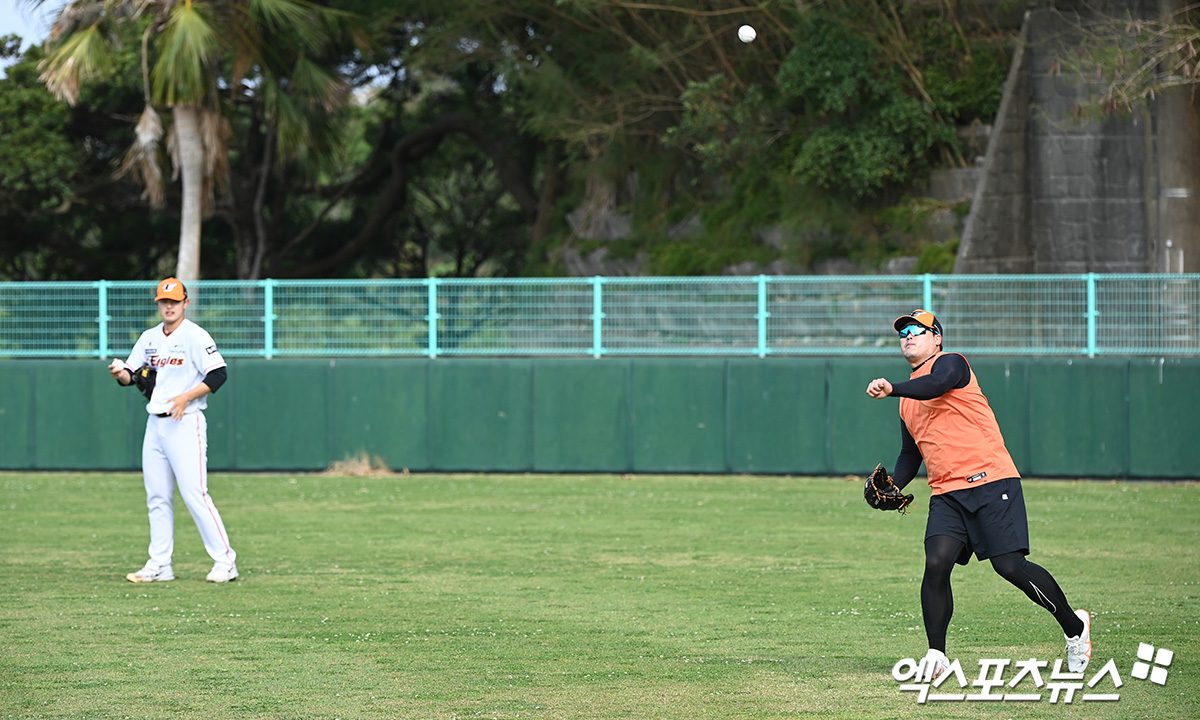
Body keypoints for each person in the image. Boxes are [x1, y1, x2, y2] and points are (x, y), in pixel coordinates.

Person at [865, 309, 1090, 679]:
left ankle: (1075, 628)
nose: (908, 335)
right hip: (947, 493)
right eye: (903, 332)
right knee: (936, 563)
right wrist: (893, 486)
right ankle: (936, 656)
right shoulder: (906, 401)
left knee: (1010, 567)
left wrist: (892, 388)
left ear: (936, 338)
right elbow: (911, 453)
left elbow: (937, 385)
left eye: (917, 330)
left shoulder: (952, 364)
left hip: (992, 482)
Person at [108, 277, 238, 583]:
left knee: (195, 495)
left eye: (174, 301)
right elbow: (132, 376)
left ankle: (225, 562)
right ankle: (160, 564)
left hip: (186, 421)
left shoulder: (195, 335)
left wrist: (186, 396)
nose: (168, 306)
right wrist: (120, 373)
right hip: (156, 423)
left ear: (185, 304)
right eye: (164, 302)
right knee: (157, 496)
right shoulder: (150, 338)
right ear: (159, 305)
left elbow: (219, 374)